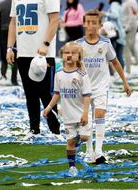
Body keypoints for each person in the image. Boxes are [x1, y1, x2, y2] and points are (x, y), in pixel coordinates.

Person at [7, 0, 61, 139]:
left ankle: (56, 128)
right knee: (30, 94)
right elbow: (13, 23)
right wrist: (10, 47)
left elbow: (54, 20)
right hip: (23, 52)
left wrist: (45, 44)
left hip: (42, 54)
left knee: (46, 93)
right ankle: (34, 129)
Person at [76, 10, 132, 164]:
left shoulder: (105, 43)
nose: (90, 25)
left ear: (100, 25)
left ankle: (99, 151)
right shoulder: (78, 44)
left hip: (101, 86)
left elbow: (115, 62)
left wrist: (124, 82)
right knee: (85, 120)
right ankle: (89, 151)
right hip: (83, 88)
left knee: (99, 114)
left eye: (94, 23)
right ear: (83, 24)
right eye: (88, 22)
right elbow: (72, 65)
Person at [42, 42, 91, 177]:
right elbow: (56, 94)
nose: (69, 55)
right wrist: (48, 107)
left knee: (85, 137)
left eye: (73, 53)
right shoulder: (58, 73)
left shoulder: (82, 74)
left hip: (81, 114)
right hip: (68, 116)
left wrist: (86, 113)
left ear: (79, 56)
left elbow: (87, 96)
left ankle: (78, 141)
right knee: (70, 142)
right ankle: (72, 167)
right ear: (62, 55)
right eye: (66, 53)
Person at [0, 0, 19, 85]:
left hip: (3, 31)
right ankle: (14, 79)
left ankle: (3, 74)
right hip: (16, 31)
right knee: (16, 55)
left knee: (5, 53)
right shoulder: (19, 3)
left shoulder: (2, 4)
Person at [118, 0, 138, 74]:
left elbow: (133, 16)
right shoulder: (126, 1)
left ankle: (128, 71)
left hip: (129, 29)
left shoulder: (131, 2)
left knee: (126, 49)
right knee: (133, 49)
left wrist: (127, 28)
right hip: (127, 28)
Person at [102, 0, 126, 69]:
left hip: (115, 33)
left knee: (112, 55)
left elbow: (115, 15)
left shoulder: (114, 4)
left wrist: (105, 14)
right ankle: (121, 72)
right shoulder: (119, 5)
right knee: (119, 55)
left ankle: (114, 73)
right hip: (121, 33)